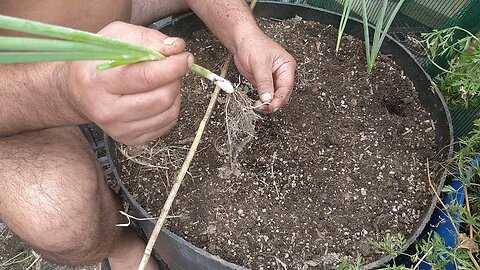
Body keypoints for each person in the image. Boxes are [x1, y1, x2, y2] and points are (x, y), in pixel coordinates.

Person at [0, 0, 296, 269]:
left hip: (121, 9)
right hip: (17, 84)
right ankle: (120, 245)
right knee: (59, 216)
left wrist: (243, 33)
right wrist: (62, 89)